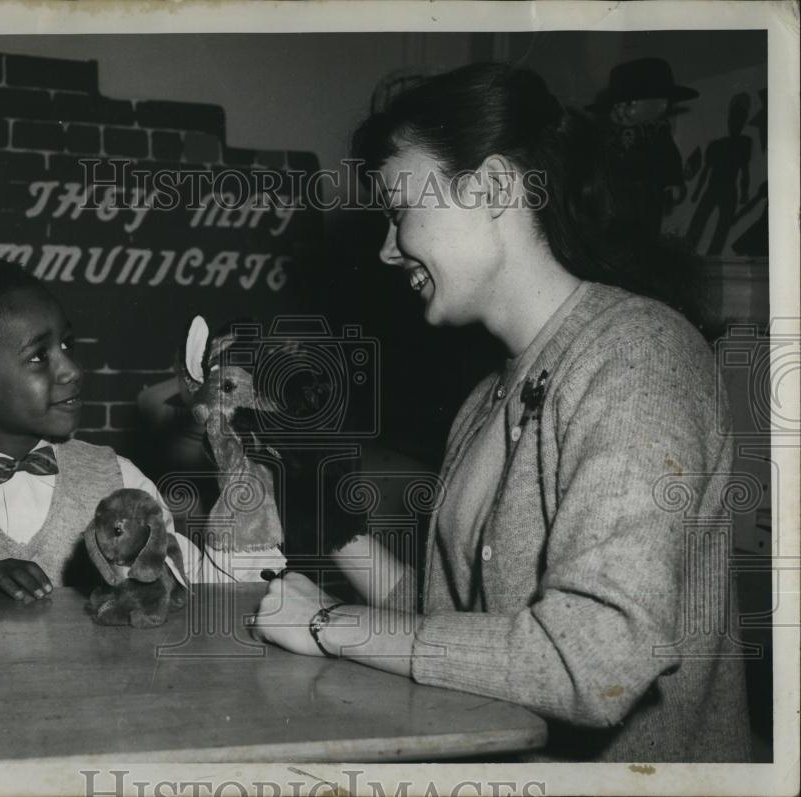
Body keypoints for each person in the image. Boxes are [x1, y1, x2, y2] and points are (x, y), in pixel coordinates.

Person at [248, 63, 752, 762]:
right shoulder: (486, 399)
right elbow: (451, 630)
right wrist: (321, 515)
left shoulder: (638, 356)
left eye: (399, 210)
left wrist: (330, 624)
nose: (387, 249)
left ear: (491, 188)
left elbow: (595, 661)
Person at [0, 261, 279, 597]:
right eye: (38, 356)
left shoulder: (122, 480)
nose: (72, 370)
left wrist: (245, 494)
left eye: (66, 346)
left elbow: (200, 596)